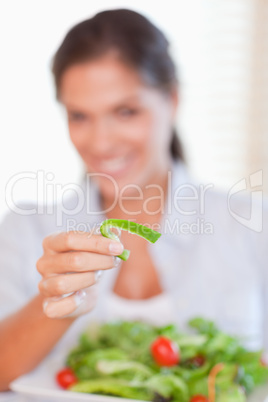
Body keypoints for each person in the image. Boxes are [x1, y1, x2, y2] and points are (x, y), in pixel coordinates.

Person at [0, 8, 267, 392]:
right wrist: (55, 303)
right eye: (80, 116)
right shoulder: (26, 229)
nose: (102, 142)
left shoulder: (251, 225)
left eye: (125, 112)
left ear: (172, 100)